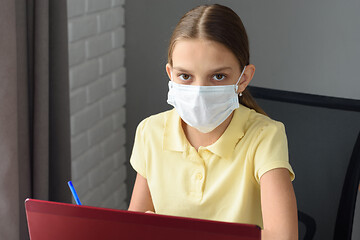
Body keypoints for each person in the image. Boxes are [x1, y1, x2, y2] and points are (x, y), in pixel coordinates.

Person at [128, 4, 298, 240]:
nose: (199, 92)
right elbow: (133, 227)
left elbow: (284, 237)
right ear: (170, 75)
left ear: (243, 78)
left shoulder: (265, 136)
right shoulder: (150, 132)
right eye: (185, 76)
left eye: (218, 76)